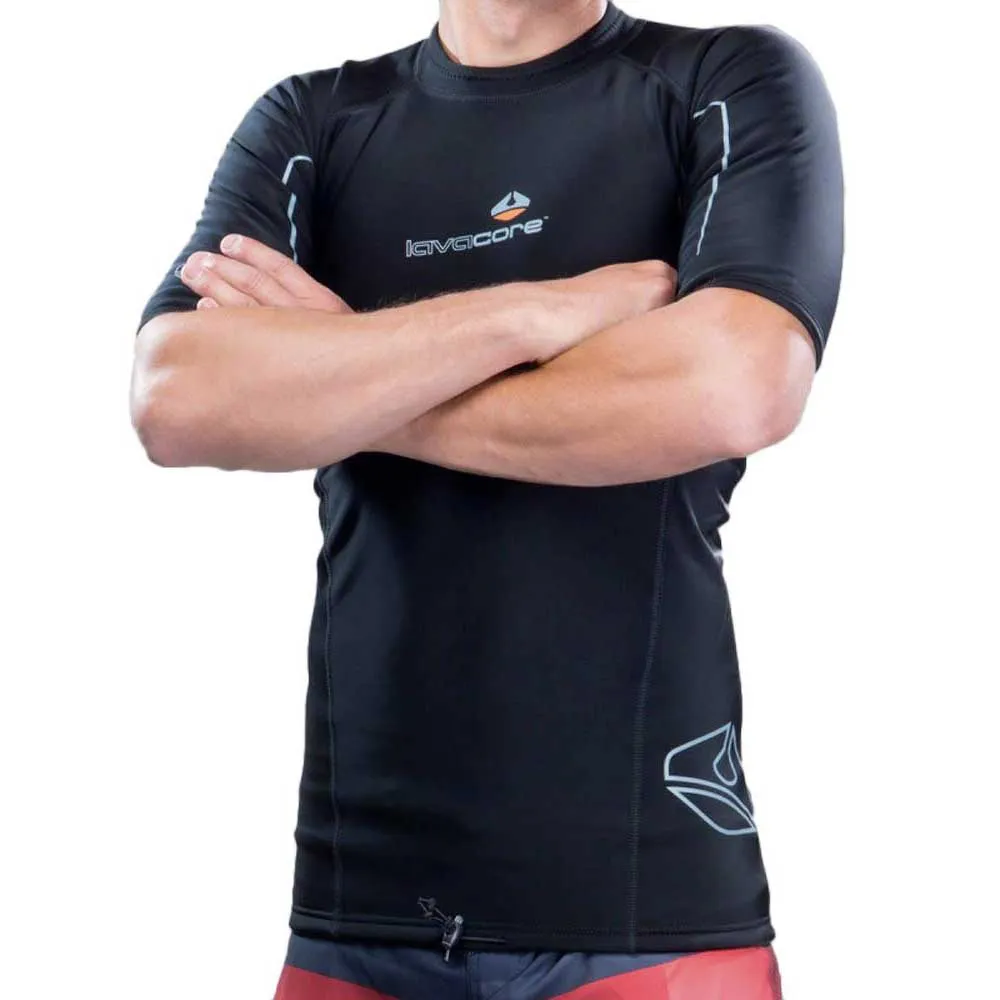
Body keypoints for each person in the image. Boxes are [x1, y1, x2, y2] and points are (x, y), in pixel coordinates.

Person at [130, 0, 843, 996]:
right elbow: (177, 400)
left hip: (646, 906)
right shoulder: (314, 121)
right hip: (357, 900)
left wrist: (347, 375)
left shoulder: (721, 83)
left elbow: (737, 386)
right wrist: (538, 314)